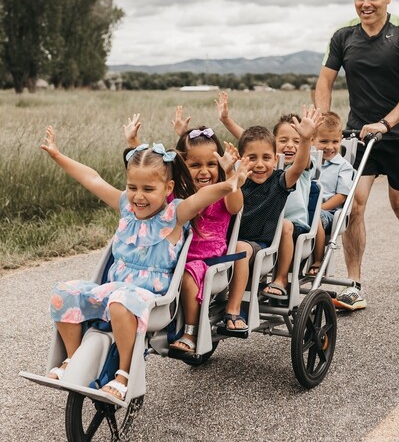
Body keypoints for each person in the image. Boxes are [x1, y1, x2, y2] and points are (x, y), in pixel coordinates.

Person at [42, 126, 248, 400]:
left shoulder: (175, 214)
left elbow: (201, 198)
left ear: (168, 189)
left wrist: (230, 182)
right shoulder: (127, 205)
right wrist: (57, 155)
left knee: (119, 302)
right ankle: (72, 358)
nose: (138, 196)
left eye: (148, 189)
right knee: (63, 293)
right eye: (132, 187)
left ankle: (124, 373)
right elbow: (92, 179)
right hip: (115, 288)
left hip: (154, 297)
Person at [314, 0, 399, 310]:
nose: (366, 3)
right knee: (353, 204)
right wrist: (322, 120)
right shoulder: (342, 36)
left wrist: (387, 122)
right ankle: (354, 283)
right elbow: (325, 81)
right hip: (358, 134)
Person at [124, 110, 247, 346]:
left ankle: (190, 332)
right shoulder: (179, 193)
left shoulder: (221, 192)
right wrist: (133, 144)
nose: (204, 171)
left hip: (210, 259)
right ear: (182, 165)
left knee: (189, 277)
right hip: (176, 256)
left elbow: (235, 206)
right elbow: (153, 174)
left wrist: (230, 174)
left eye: (211, 164)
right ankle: (142, 318)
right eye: (195, 165)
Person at [225, 106, 321, 328]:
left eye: (266, 158)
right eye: (252, 158)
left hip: (263, 245)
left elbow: (297, 168)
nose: (260, 164)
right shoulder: (239, 179)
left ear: (275, 158)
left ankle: (233, 310)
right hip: (233, 241)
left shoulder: (279, 182)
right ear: (241, 159)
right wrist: (230, 172)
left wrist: (305, 139)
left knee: (240, 247)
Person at [305, 111, 355, 278]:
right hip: (304, 206)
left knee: (316, 216)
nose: (329, 146)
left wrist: (319, 208)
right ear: (312, 140)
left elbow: (342, 196)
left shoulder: (343, 166)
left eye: (335, 141)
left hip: (329, 212)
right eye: (323, 141)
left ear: (341, 140)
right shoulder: (308, 161)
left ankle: (319, 259)